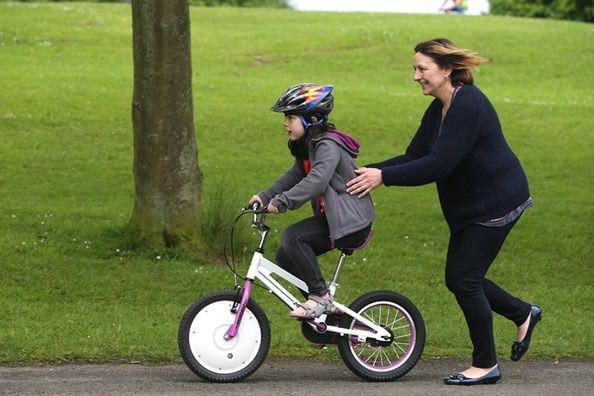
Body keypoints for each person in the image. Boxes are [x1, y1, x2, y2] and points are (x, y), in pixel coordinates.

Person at [346, 39, 541, 385]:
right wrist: (365, 172)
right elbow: (414, 157)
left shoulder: (468, 104)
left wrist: (383, 177)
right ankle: (522, 312)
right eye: (414, 69)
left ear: (447, 69)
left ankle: (486, 365)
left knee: (465, 279)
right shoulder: (439, 108)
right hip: (471, 206)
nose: (415, 76)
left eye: (422, 69)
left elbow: (439, 165)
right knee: (460, 278)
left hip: (497, 202)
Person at [250, 83, 375, 319]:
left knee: (292, 237)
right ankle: (324, 319)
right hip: (336, 220)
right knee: (285, 256)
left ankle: (320, 297)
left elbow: (317, 180)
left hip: (352, 223)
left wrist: (283, 201)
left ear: (312, 119)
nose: (285, 123)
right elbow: (295, 175)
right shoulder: (310, 146)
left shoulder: (327, 146)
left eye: (290, 117)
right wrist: (264, 196)